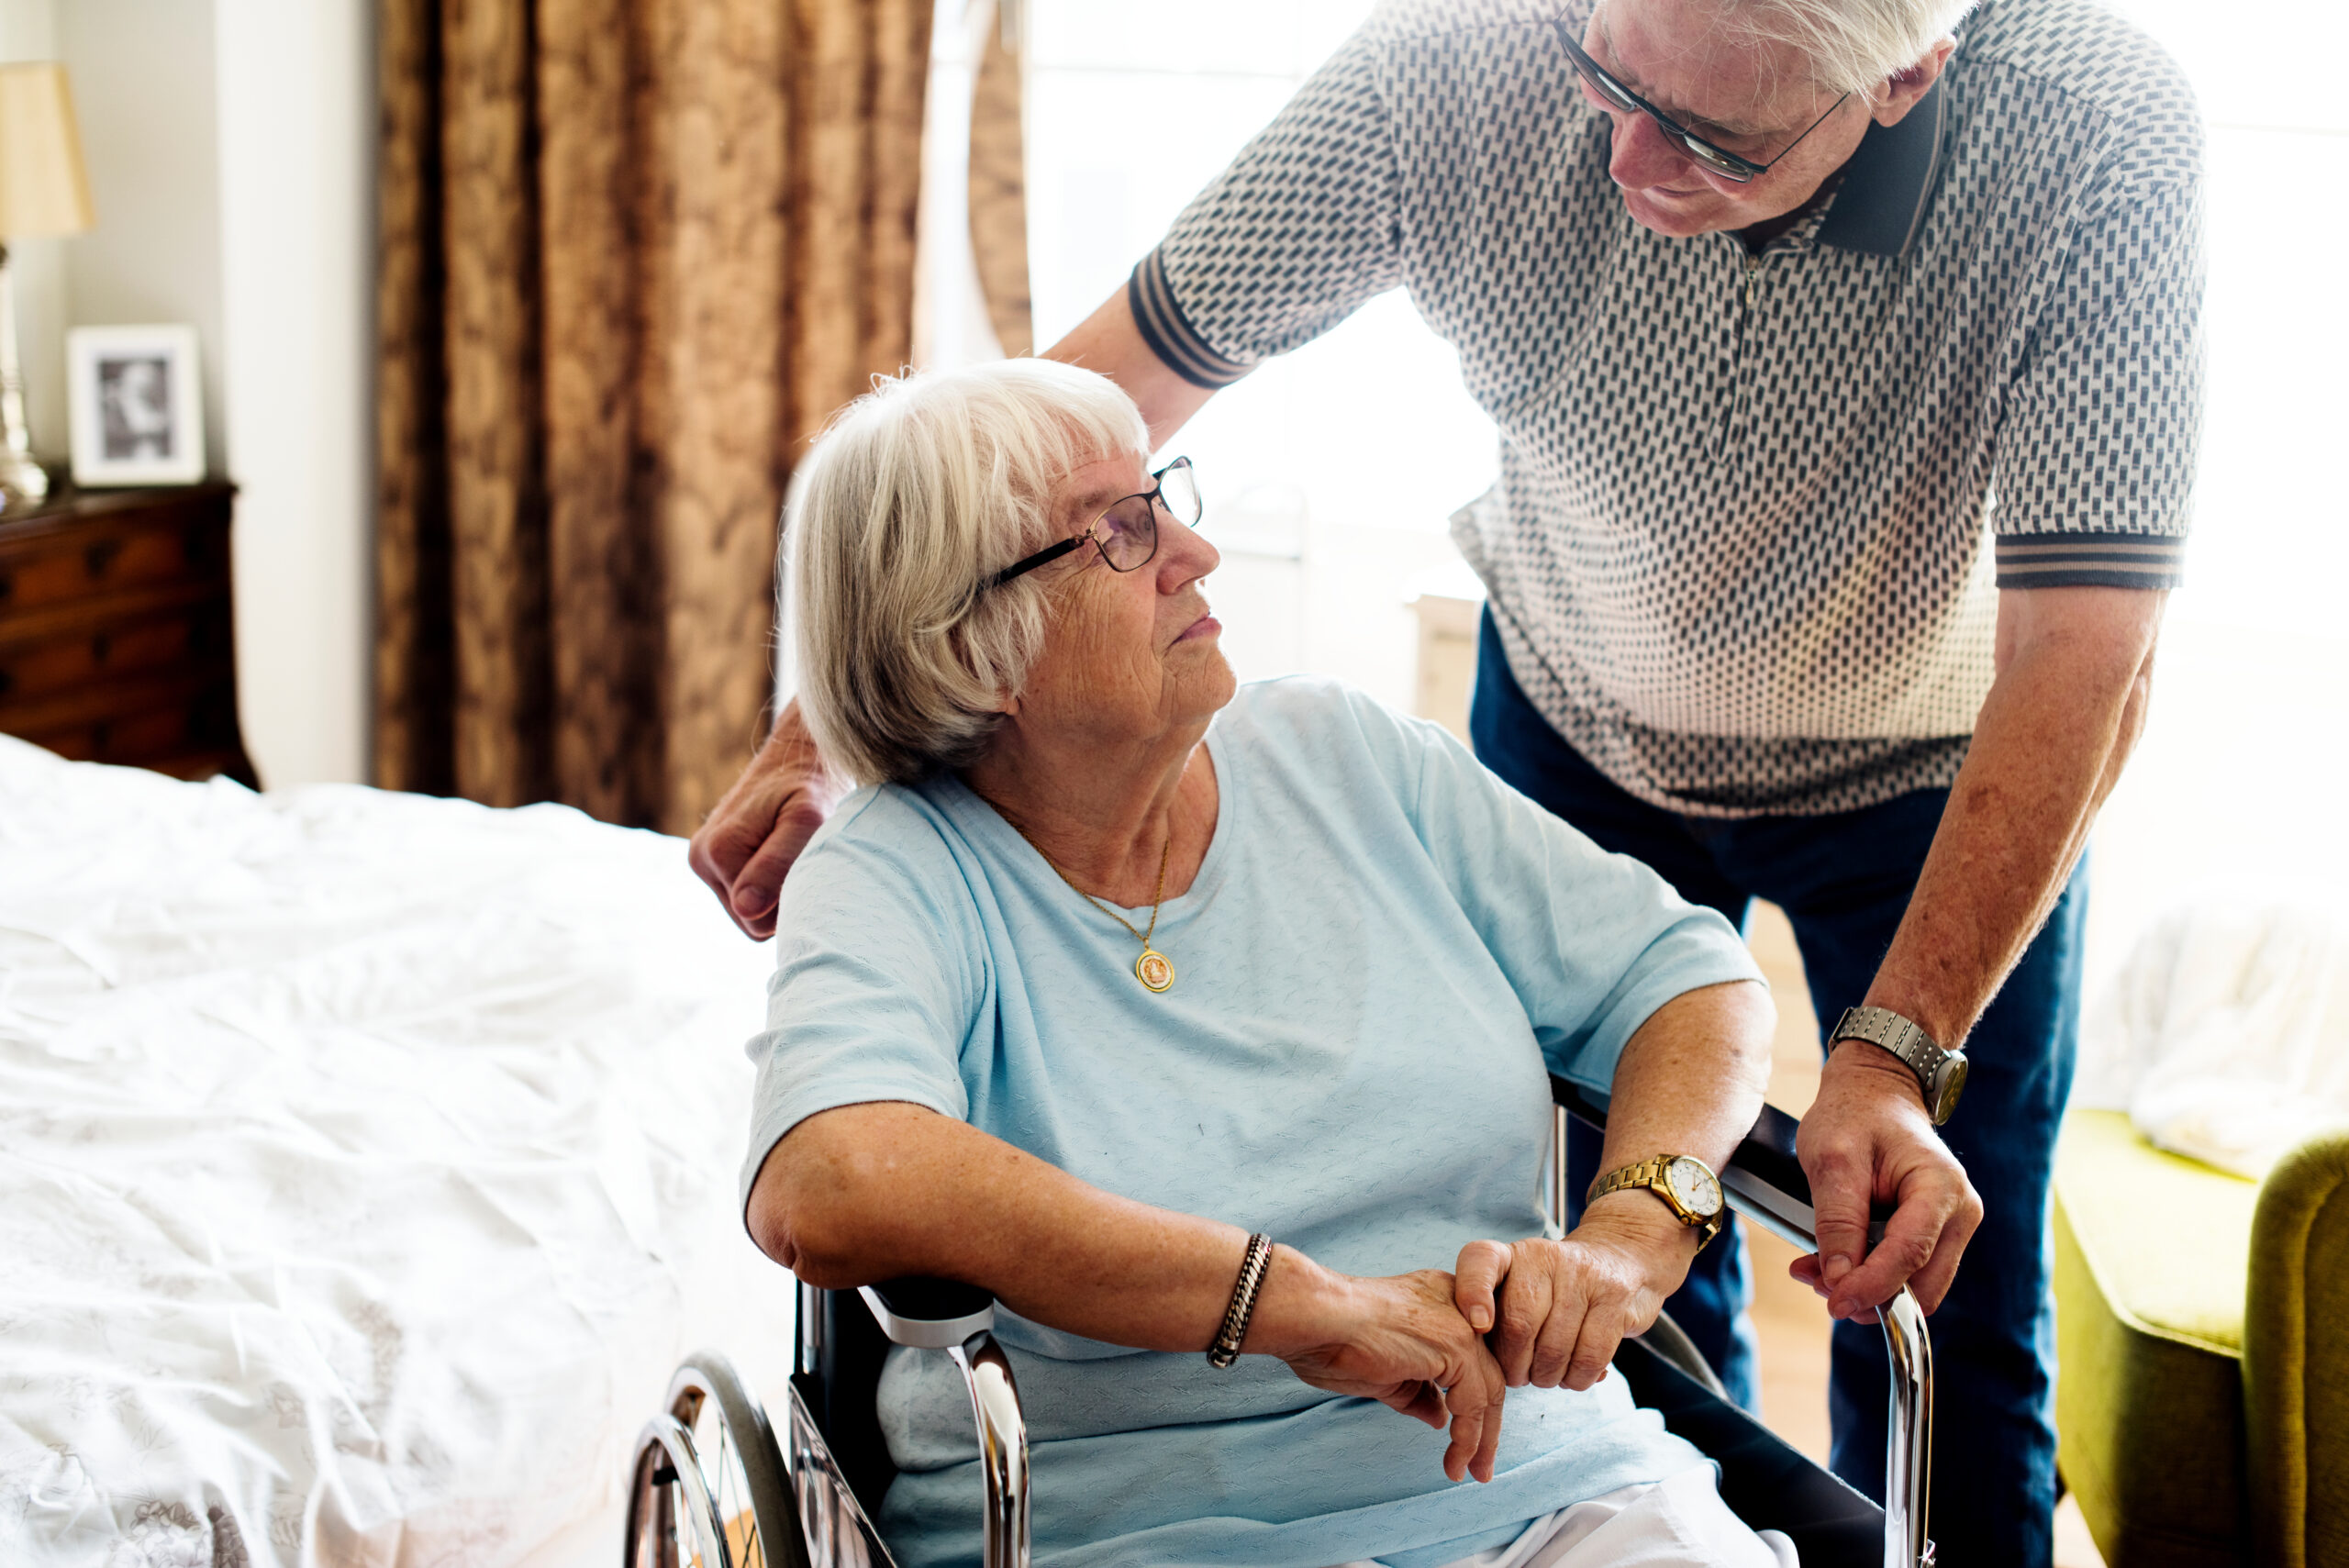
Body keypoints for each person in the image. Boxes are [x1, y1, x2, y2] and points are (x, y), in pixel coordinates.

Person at [702, 0, 2199, 1559]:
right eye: (1607, 78)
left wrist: (1674, 1209)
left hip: (1932, 765)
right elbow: (1074, 412)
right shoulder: (1454, 68)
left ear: (1902, 80)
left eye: (1710, 136)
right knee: (1656, 1319)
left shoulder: (2087, 131)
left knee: (1950, 1308)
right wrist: (841, 714)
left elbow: (2086, 650)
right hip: (1574, 701)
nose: (1626, 156)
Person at [741, 358, 1892, 1566]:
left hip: (1562, 1491)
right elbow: (827, 1175)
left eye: (1162, 497)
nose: (1196, 553)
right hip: (1141, 1533)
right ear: (974, 651)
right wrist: (1297, 1306)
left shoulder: (1344, 756)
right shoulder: (897, 870)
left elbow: (1686, 973)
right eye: (1120, 535)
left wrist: (1633, 1230)